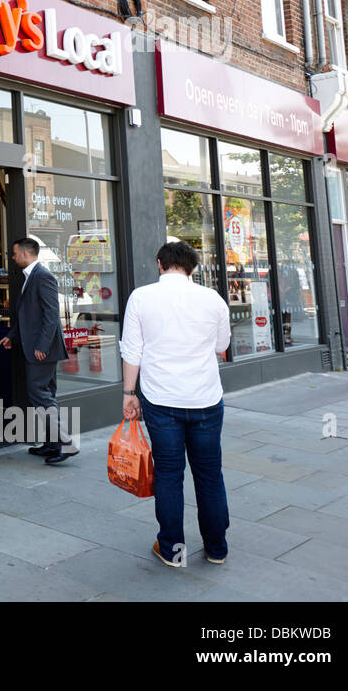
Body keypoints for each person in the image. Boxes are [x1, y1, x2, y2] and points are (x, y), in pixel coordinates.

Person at [120, 240, 232, 567]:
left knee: (169, 474)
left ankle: (171, 549)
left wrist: (129, 394)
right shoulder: (212, 299)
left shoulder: (141, 297)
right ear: (193, 268)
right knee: (209, 474)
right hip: (206, 398)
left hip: (161, 398)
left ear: (159, 264)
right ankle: (217, 549)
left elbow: (132, 351)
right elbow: (221, 345)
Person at [0, 237, 75, 463]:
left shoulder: (43, 276)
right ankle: (52, 445)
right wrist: (11, 336)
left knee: (40, 395)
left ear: (25, 254)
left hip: (41, 350)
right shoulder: (31, 276)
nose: (12, 258)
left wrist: (42, 346)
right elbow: (28, 315)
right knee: (45, 395)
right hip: (37, 347)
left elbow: (51, 315)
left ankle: (66, 443)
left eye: (14, 254)